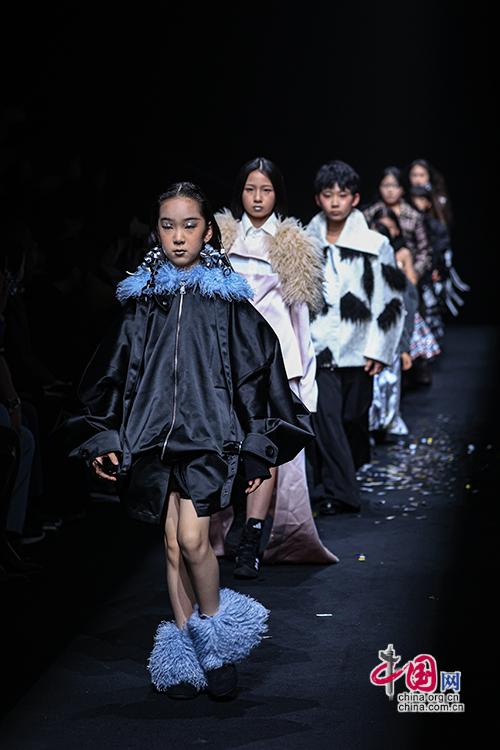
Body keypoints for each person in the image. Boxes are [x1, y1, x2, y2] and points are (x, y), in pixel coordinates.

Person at [63, 182, 314, 701]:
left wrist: (256, 444)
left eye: (189, 225)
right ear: (156, 232)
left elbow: (258, 372)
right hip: (151, 440)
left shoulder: (227, 304)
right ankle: (182, 651)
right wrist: (105, 433)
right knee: (174, 543)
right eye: (168, 225)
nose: (178, 237)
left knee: (196, 540)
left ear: (208, 232)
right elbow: (111, 370)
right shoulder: (143, 303)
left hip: (207, 440)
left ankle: (217, 644)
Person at [213, 157, 337, 578]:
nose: (257, 198)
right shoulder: (220, 237)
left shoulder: (292, 244)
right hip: (227, 360)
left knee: (264, 449)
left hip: (276, 364)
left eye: (265, 190)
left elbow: (300, 317)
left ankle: (251, 539)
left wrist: (305, 380)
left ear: (277, 194)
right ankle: (223, 532)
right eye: (250, 189)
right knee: (225, 448)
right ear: (240, 192)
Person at [306, 160, 405, 515]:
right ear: (318, 199)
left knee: (352, 419)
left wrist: (380, 349)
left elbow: (391, 299)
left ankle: (338, 479)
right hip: (318, 348)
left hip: (359, 348)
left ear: (355, 199)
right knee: (327, 419)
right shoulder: (304, 244)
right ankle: (342, 493)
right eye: (328, 194)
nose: (335, 202)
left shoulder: (375, 244)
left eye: (343, 195)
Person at [363, 166, 432, 281]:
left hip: (409, 272)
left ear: (402, 189)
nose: (390, 190)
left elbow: (424, 250)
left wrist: (414, 273)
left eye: (394, 186)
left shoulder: (414, 215)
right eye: (386, 185)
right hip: (377, 273)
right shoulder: (369, 214)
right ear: (379, 188)